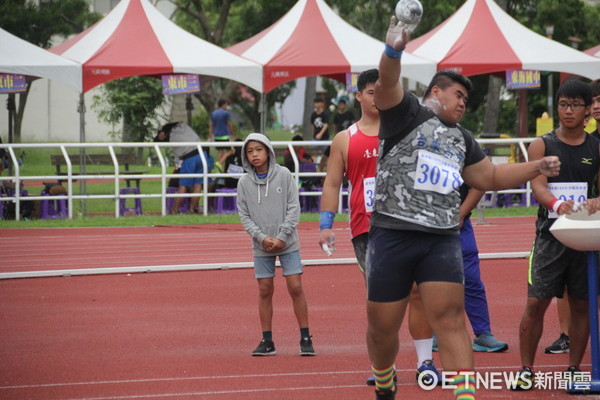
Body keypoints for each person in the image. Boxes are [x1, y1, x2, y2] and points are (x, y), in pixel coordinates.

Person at [367, 16, 561, 400]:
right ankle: (384, 374)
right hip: (392, 234)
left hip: (440, 239)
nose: (463, 104)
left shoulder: (462, 139)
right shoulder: (404, 112)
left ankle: (465, 396)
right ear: (436, 91)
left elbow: (489, 176)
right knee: (382, 328)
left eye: (467, 101)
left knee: (453, 320)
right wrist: (393, 48)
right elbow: (387, 81)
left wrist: (536, 166)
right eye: (459, 96)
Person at [318, 68, 442, 387]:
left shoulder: (406, 131)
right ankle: (382, 366)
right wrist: (325, 224)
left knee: (417, 293)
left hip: (409, 223)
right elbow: (332, 184)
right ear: (359, 96)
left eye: (384, 91)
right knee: (381, 305)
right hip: (368, 230)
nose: (379, 98)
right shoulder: (345, 139)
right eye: (372, 92)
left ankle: (425, 362)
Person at [512, 79, 600, 390]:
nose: (568, 111)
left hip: (584, 238)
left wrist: (595, 202)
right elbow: (537, 185)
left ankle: (574, 368)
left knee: (581, 304)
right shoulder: (543, 144)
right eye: (563, 104)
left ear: (588, 110)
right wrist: (556, 203)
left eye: (576, 105)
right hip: (549, 237)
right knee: (536, 302)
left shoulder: (596, 146)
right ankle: (526, 369)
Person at [236, 133, 315, 357]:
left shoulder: (284, 175)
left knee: (295, 286)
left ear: (268, 151)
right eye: (249, 151)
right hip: (261, 245)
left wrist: (282, 236)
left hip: (287, 242)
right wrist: (261, 238)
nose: (254, 155)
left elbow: (293, 207)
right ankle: (267, 340)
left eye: (258, 150)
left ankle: (306, 337)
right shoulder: (243, 183)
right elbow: (244, 215)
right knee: (264, 290)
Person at [154, 122, 209, 214]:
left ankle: (174, 211)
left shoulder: (172, 137)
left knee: (183, 186)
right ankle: (191, 210)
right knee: (198, 184)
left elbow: (179, 158)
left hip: (190, 158)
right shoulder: (183, 126)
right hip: (203, 154)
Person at [209, 99, 236, 166]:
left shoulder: (213, 113)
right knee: (230, 151)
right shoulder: (225, 113)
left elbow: (211, 125)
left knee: (220, 151)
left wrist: (210, 136)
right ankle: (219, 163)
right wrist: (233, 134)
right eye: (226, 104)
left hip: (216, 135)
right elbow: (229, 124)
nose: (226, 106)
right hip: (224, 135)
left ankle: (219, 168)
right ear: (223, 105)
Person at [311, 97, 331, 172]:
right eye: (315, 103)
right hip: (315, 138)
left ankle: (324, 170)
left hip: (324, 137)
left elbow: (326, 125)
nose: (316, 105)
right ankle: (314, 170)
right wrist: (313, 135)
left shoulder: (325, 114)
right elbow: (312, 125)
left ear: (321, 104)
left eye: (317, 103)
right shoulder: (313, 114)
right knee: (314, 154)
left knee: (325, 155)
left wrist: (320, 134)